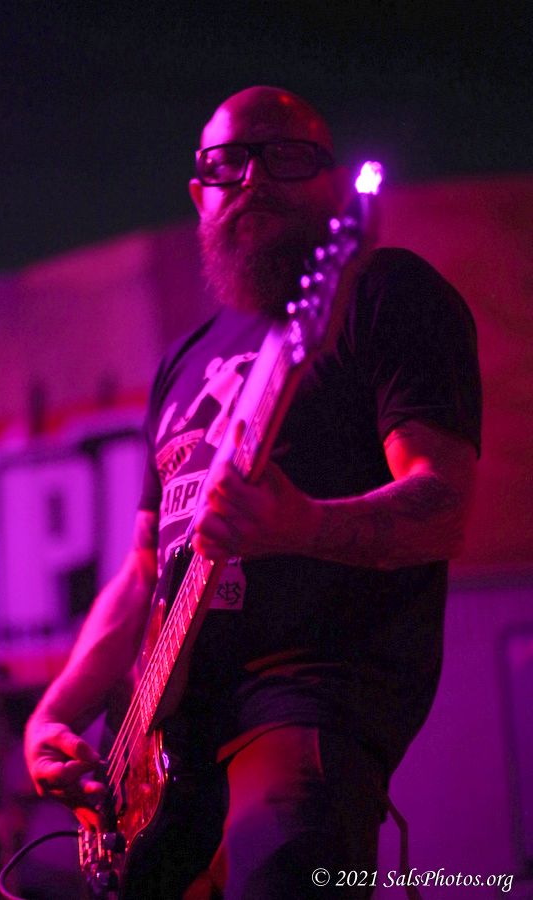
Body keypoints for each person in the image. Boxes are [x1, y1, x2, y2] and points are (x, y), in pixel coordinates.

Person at [25, 86, 482, 898]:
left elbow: (442, 503)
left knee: (279, 858)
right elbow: (142, 570)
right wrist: (55, 711)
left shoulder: (380, 293)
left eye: (286, 156)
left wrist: (302, 525)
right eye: (226, 163)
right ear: (198, 195)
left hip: (306, 694)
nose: (253, 178)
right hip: (164, 747)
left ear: (333, 186)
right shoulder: (184, 359)